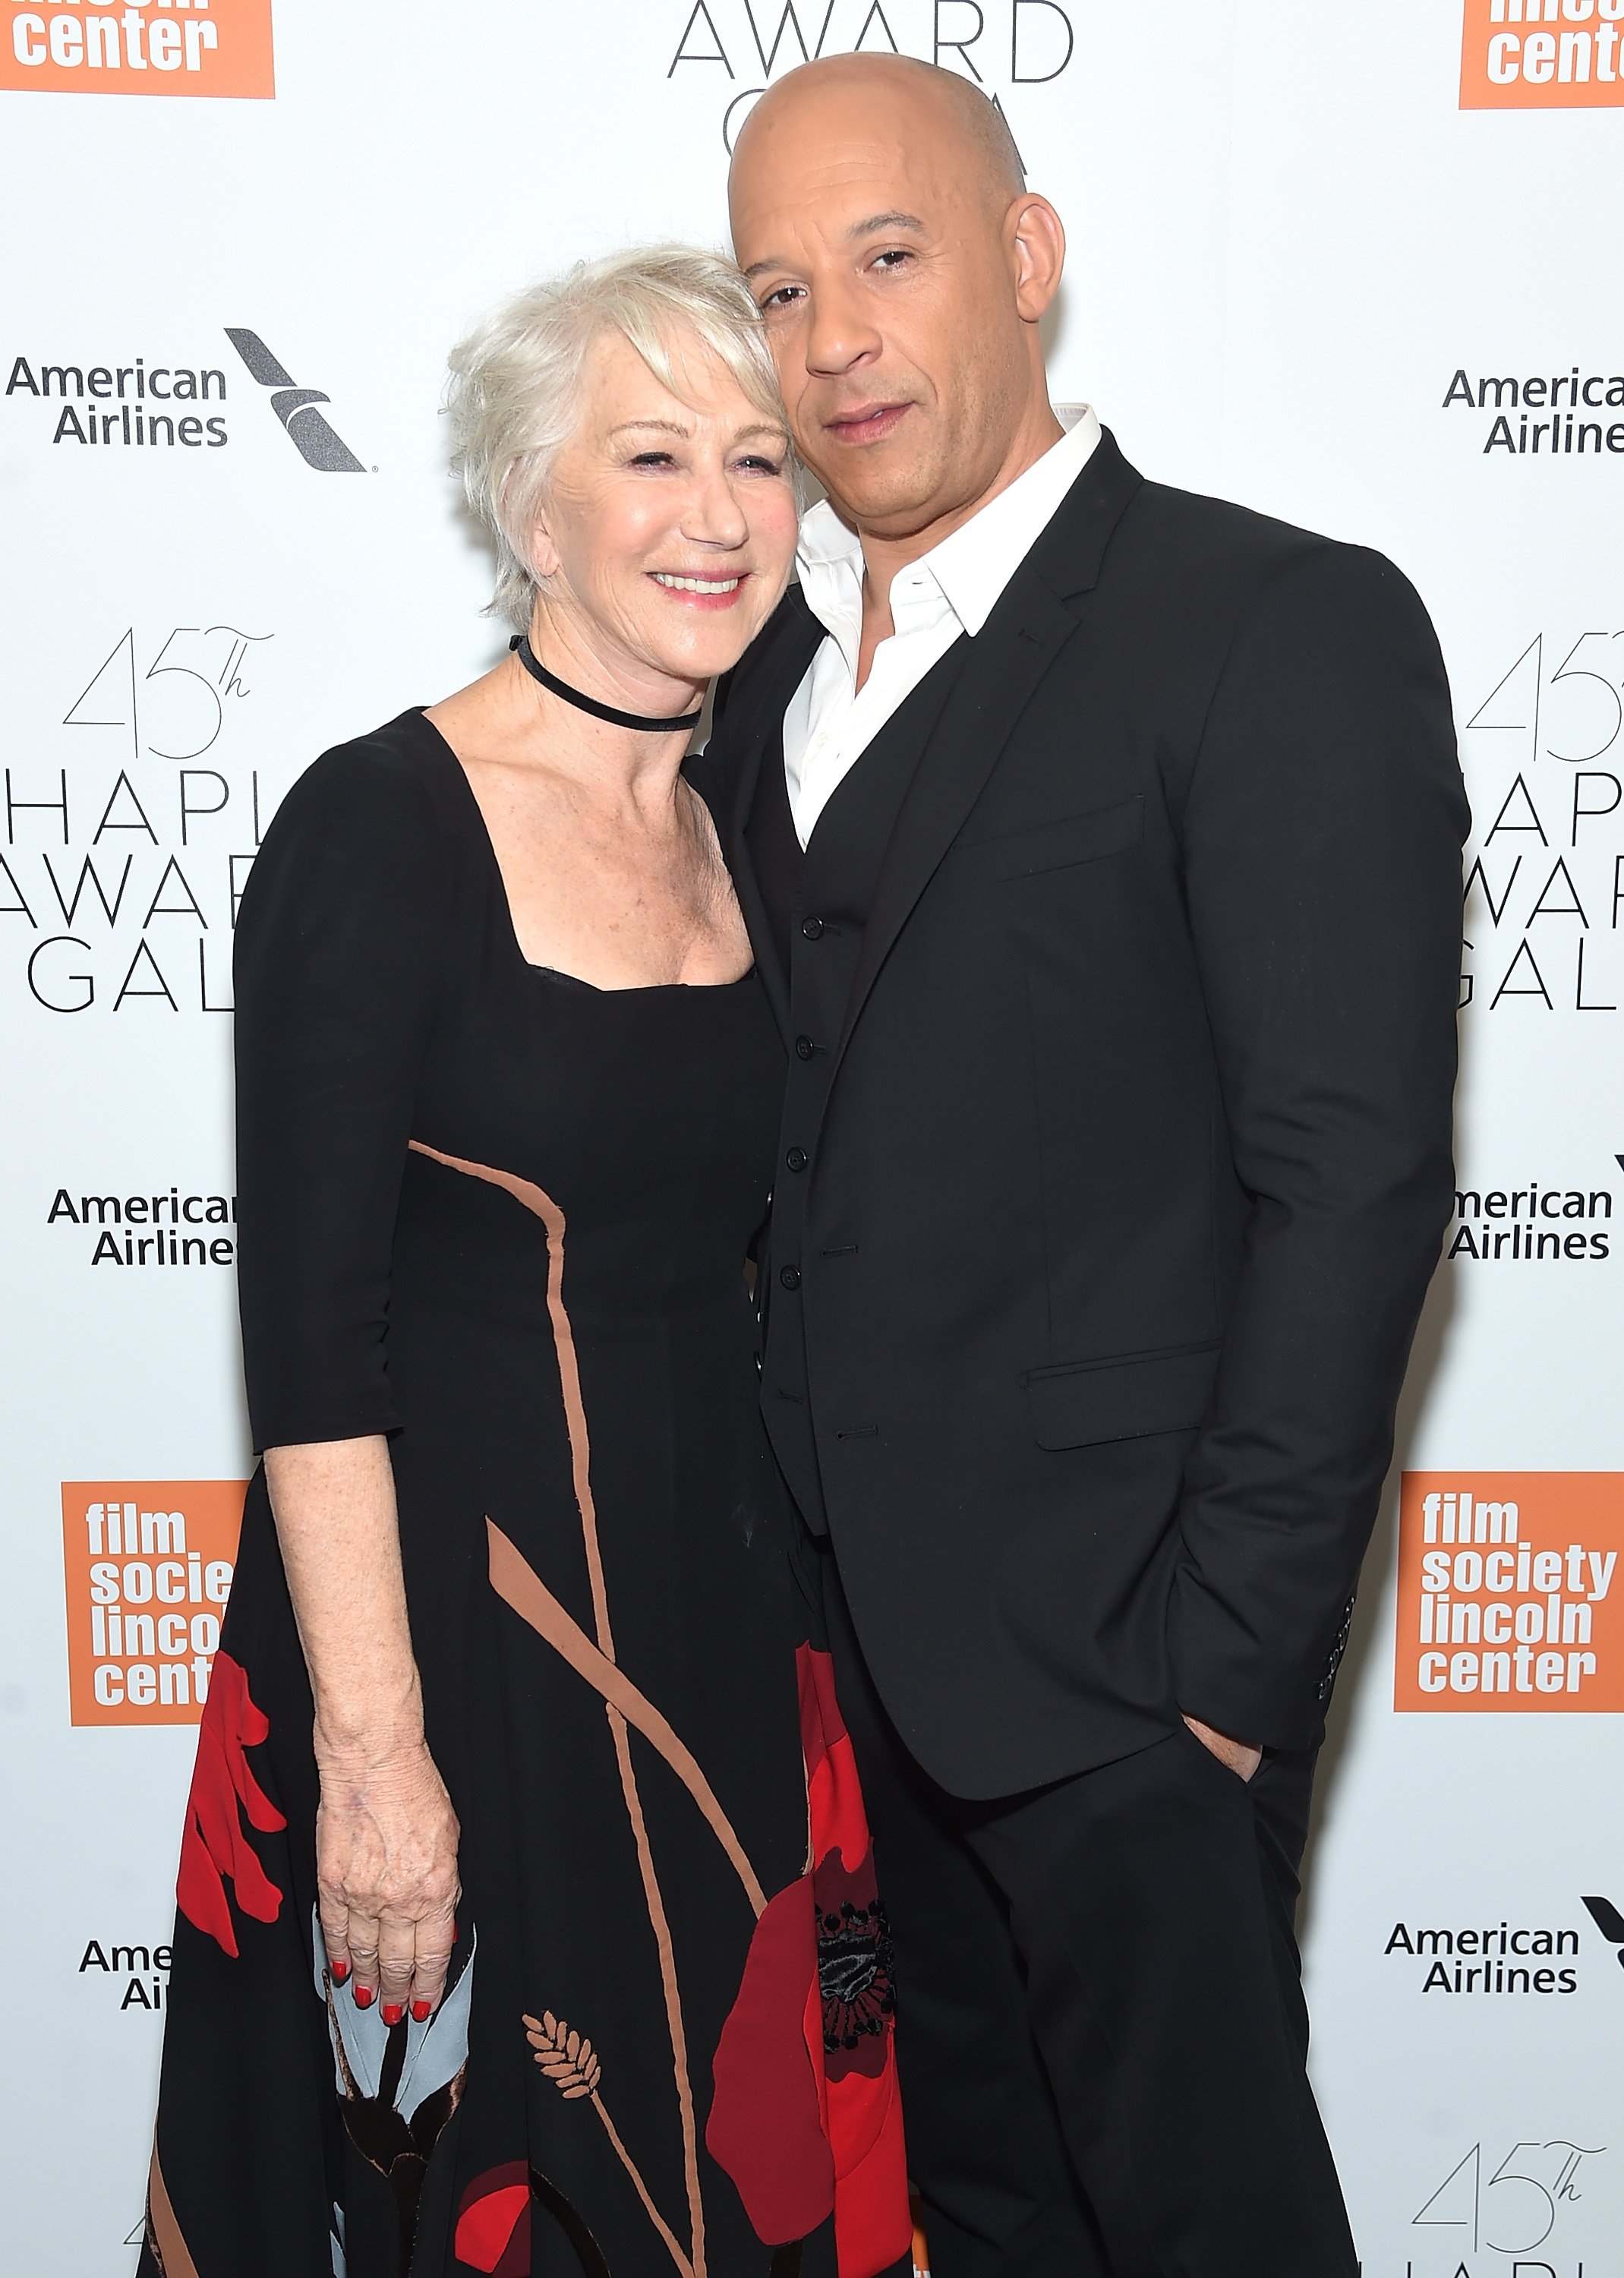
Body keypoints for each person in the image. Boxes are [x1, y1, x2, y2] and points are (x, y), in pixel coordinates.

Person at [697, 55, 1469, 2278]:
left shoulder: (1272, 629)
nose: (831, 333)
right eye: (775, 286)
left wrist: (1214, 1683)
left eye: (888, 255)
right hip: (836, 1699)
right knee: (970, 2229)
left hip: (1129, 1688)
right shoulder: (743, 692)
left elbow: (1351, 1182)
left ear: (1023, 262)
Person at [139, 250, 910, 2278]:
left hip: (731, 1635)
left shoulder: (769, 805)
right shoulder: (379, 826)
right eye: (650, 455)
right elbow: (308, 1346)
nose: (721, 513)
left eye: (760, 459)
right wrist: (374, 1766)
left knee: (731, 2179)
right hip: (455, 1643)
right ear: (528, 511)